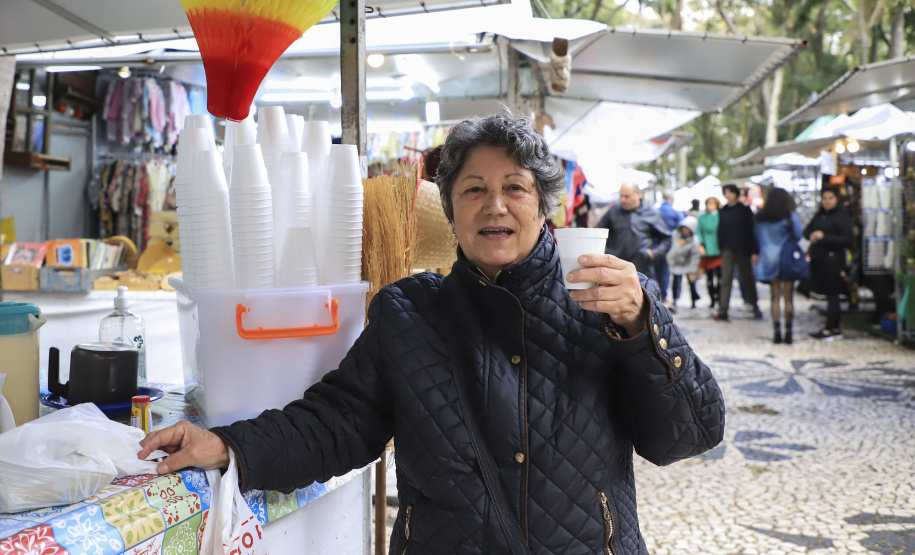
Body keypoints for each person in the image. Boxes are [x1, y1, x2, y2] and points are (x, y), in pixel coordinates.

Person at [138, 114, 724, 555]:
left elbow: (687, 436)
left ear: (545, 204)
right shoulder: (409, 313)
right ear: (450, 208)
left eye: (514, 187)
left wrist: (646, 326)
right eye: (473, 189)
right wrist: (231, 445)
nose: (494, 205)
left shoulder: (610, 301)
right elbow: (336, 422)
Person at [754, 188, 803, 344]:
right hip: (786, 259)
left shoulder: (759, 218)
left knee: (774, 296)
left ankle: (776, 331)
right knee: (788, 297)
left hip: (768, 259)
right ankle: (788, 331)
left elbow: (756, 237)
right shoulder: (789, 217)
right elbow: (798, 235)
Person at [804, 186, 854, 339]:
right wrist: (811, 235)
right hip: (819, 259)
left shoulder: (842, 216)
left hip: (834, 260)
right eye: (824, 198)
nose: (827, 201)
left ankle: (830, 328)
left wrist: (824, 237)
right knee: (828, 294)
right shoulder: (820, 215)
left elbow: (848, 239)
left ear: (836, 199)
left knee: (833, 294)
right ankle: (834, 327)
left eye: (830, 198)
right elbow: (807, 230)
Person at [596, 183, 672, 282]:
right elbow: (597, 233)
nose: (623, 199)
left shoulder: (651, 213)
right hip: (616, 270)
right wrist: (607, 253)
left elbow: (667, 239)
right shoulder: (613, 212)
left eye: (627, 196)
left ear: (638, 194)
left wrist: (653, 253)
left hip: (643, 272)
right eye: (621, 196)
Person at [714, 183, 762, 321]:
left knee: (747, 278)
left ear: (735, 193)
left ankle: (754, 304)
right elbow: (721, 230)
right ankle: (723, 309)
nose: (728, 195)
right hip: (727, 249)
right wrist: (721, 246)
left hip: (743, 249)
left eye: (730, 192)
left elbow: (751, 231)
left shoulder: (745, 210)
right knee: (725, 279)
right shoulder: (723, 210)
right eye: (726, 192)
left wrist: (754, 250)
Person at [666, 216, 702, 312]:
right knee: (676, 282)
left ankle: (694, 300)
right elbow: (671, 249)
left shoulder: (694, 240)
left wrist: (692, 270)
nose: (685, 230)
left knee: (691, 282)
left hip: (688, 263)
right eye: (684, 228)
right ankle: (675, 302)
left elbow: (695, 256)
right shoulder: (675, 235)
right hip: (678, 262)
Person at [656, 190, 684, 303]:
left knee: (661, 271)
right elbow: (683, 230)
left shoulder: (655, 212)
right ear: (672, 200)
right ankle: (675, 299)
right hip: (674, 246)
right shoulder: (677, 213)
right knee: (676, 273)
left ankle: (663, 296)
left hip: (658, 246)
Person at [697, 196, 722, 310]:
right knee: (709, 278)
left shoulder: (720, 216)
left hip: (719, 250)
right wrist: (701, 245)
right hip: (707, 250)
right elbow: (698, 233)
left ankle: (720, 297)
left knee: (720, 278)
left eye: (712, 203)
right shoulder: (702, 218)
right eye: (708, 203)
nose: (709, 206)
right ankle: (712, 298)